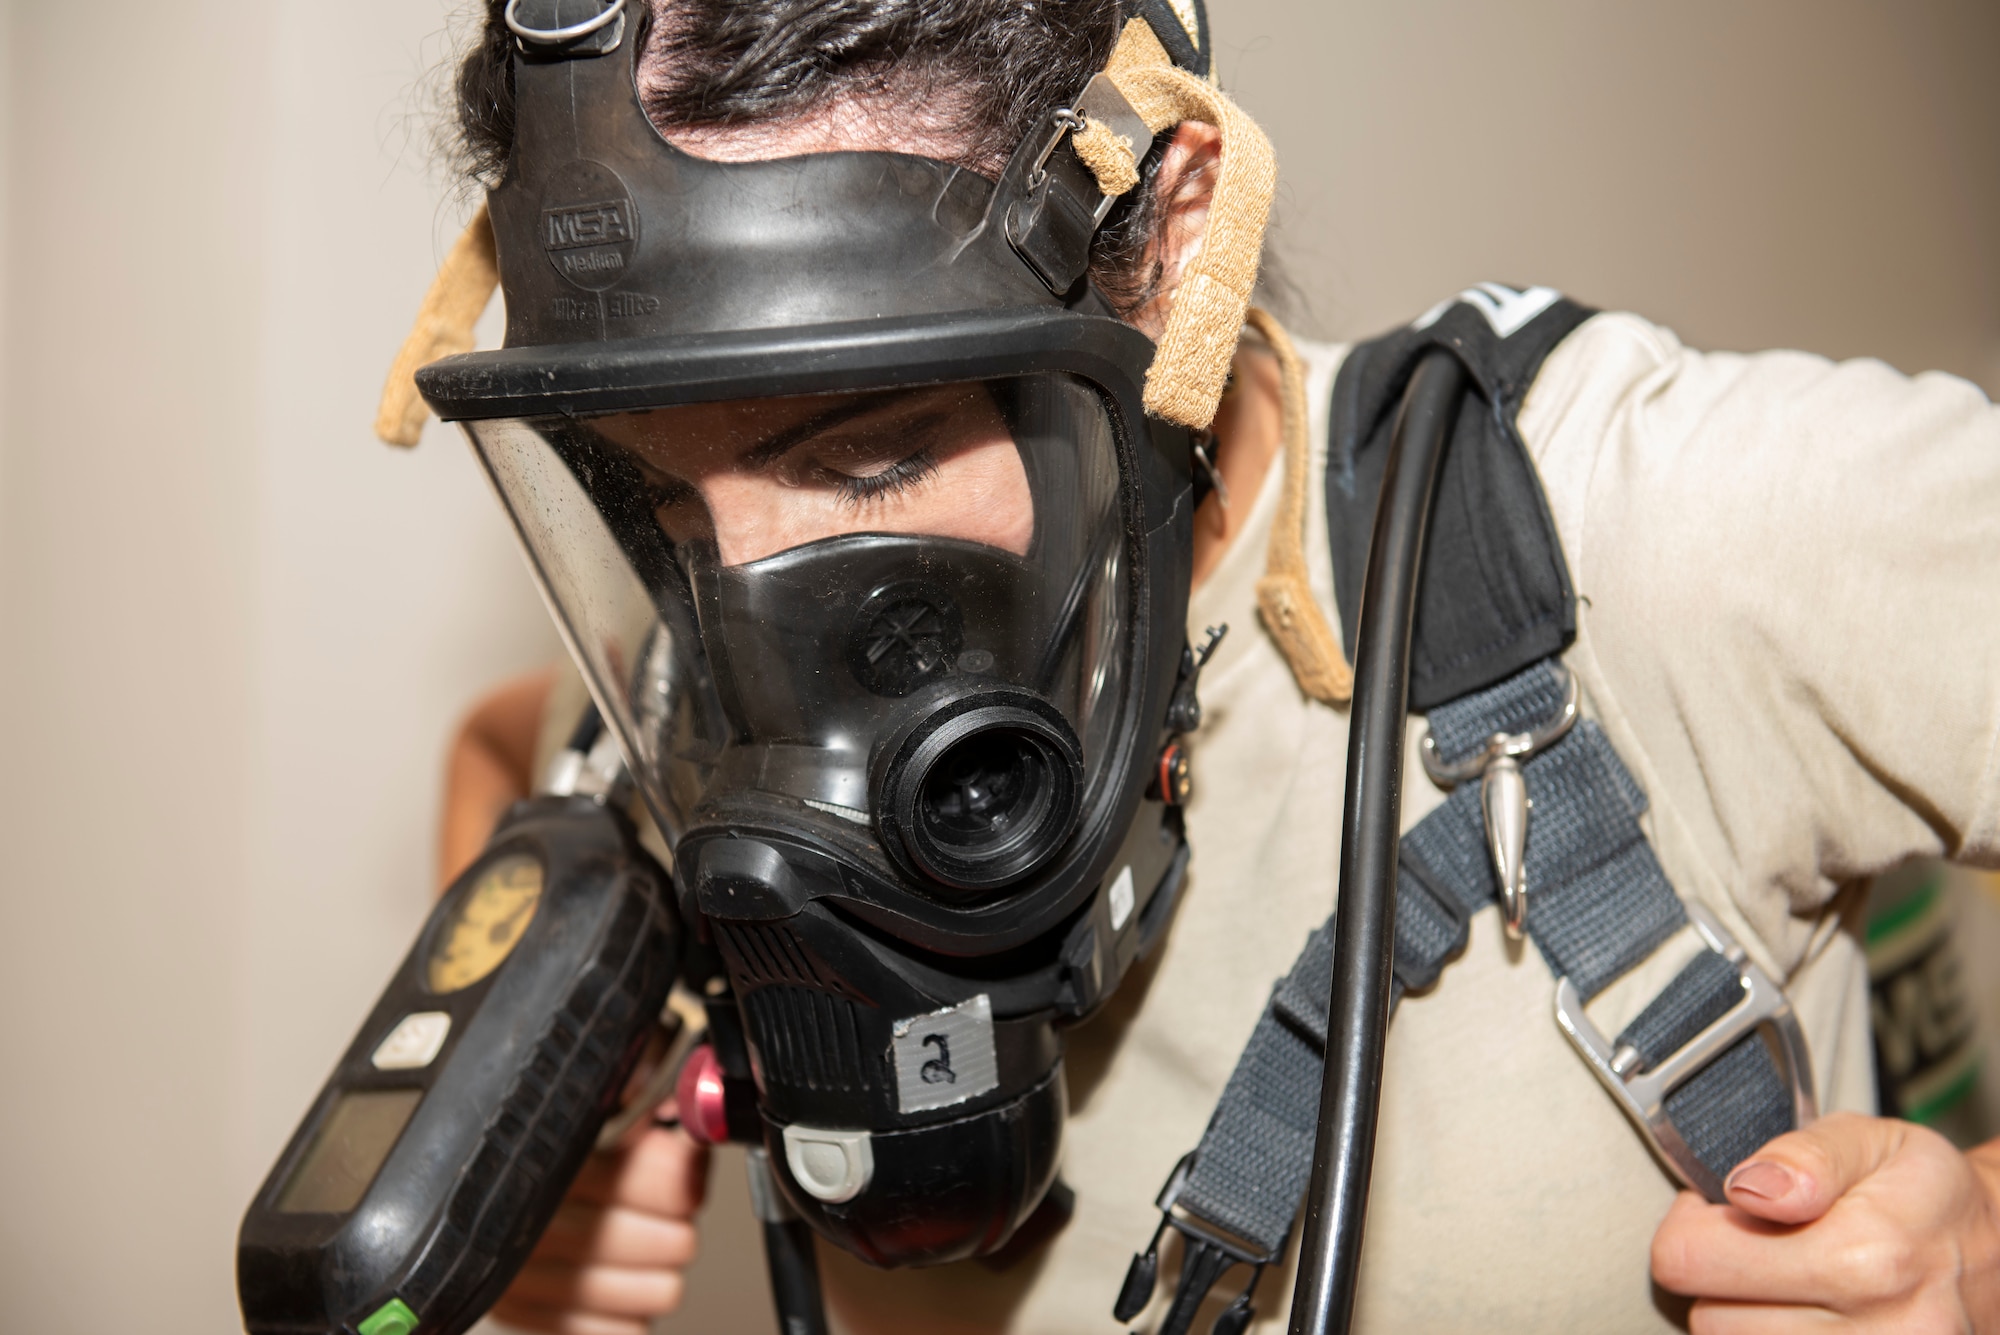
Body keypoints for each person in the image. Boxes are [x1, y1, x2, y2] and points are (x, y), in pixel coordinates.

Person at [414, 1, 2000, 1331]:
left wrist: (1983, 1249)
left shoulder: (1637, 535)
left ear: (1168, 238)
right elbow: (510, 752)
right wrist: (538, 1092)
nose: (756, 630)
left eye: (868, 462)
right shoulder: (707, 673)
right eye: (662, 491)